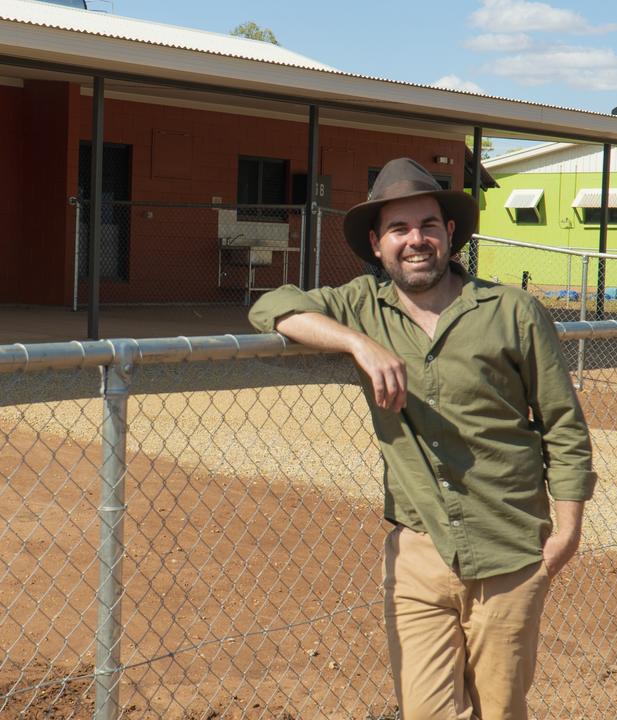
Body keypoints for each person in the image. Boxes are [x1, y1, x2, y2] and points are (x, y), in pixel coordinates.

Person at [248, 157, 595, 720]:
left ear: (449, 233)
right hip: (419, 553)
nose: (417, 240)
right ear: (377, 243)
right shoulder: (362, 307)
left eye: (428, 225)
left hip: (509, 549)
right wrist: (358, 344)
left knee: (501, 710)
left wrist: (568, 532)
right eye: (399, 229)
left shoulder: (512, 311)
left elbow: (562, 422)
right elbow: (271, 306)